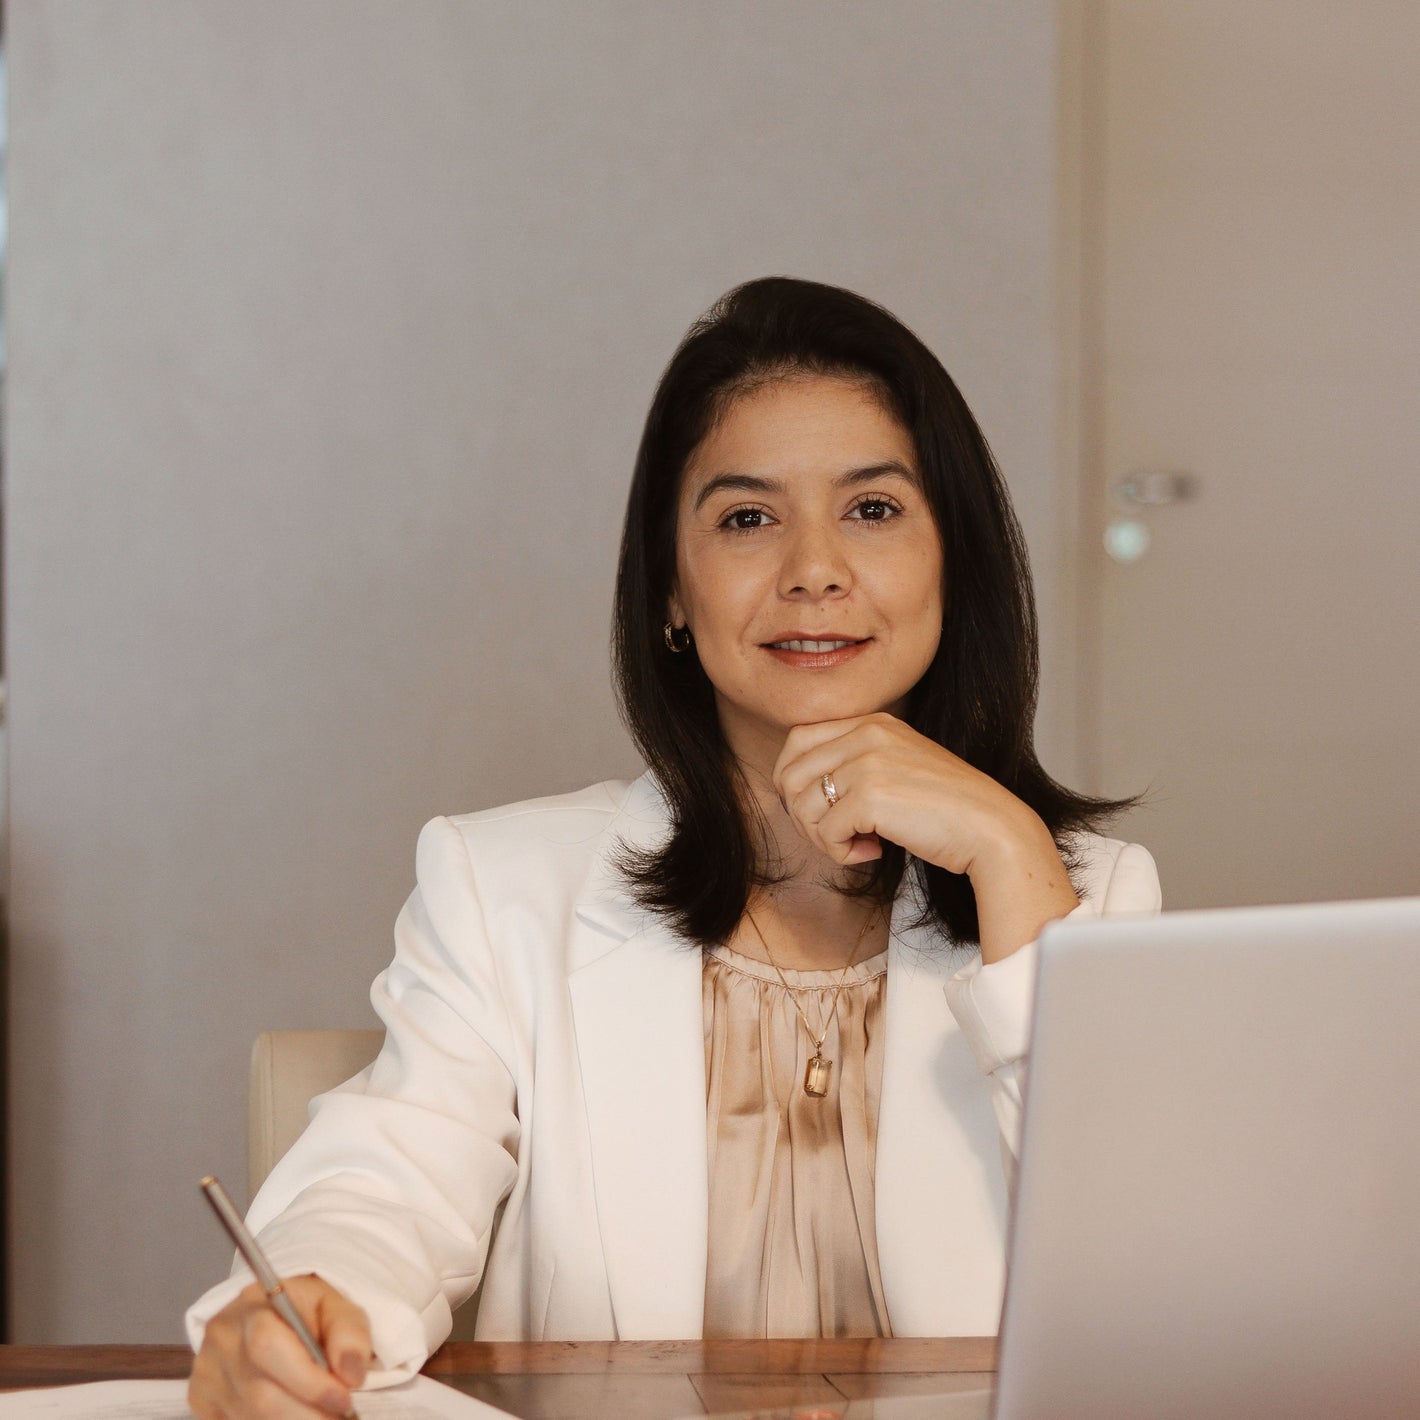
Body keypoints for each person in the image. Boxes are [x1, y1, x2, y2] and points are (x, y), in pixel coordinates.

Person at [187, 277, 1160, 1418]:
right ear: (670, 593)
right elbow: (387, 1180)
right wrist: (309, 1300)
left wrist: (1004, 846)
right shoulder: (500, 885)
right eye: (747, 517)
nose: (813, 569)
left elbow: (1155, 1289)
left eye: (873, 509)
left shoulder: (1075, 895)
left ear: (956, 565)